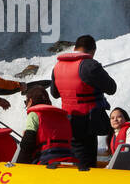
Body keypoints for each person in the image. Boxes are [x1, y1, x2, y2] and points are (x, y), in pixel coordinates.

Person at [49, 34, 116, 170]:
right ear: (93, 51)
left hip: (67, 120)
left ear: (75, 48)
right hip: (88, 121)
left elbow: (54, 94)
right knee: (87, 159)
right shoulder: (90, 65)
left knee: (75, 154)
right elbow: (111, 88)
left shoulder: (57, 66)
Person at [17, 85, 73, 165]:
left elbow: (28, 143)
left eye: (26, 102)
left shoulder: (34, 114)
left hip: (46, 160)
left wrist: (19, 166)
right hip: (69, 159)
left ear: (31, 101)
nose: (26, 105)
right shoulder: (63, 116)